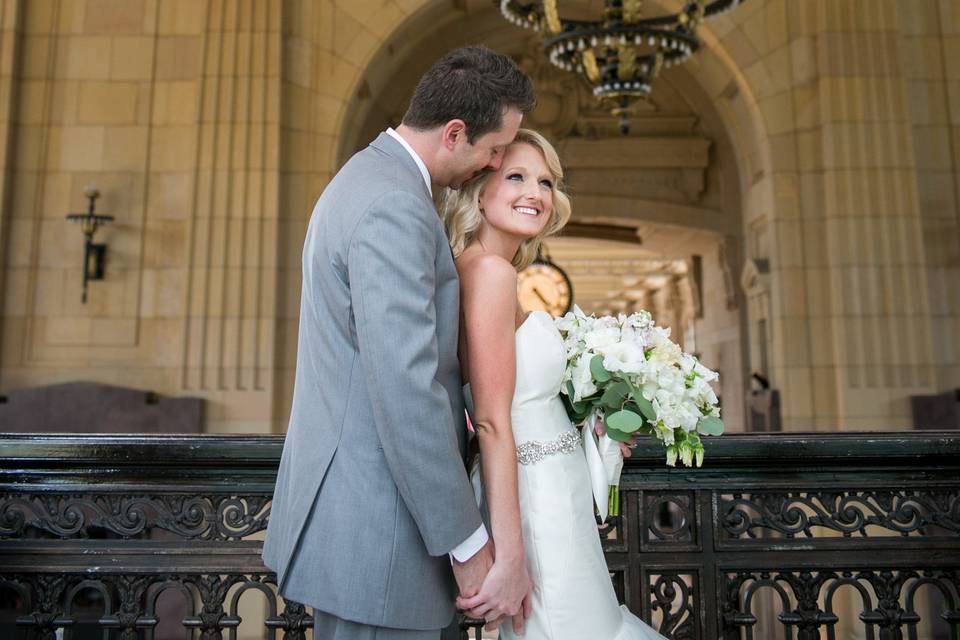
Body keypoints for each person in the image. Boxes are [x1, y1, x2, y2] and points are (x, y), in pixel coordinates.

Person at [261, 46, 536, 640]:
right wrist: (468, 546)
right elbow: (406, 390)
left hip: (367, 531)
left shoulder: (369, 178)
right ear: (455, 132)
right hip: (380, 539)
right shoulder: (393, 204)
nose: (492, 166)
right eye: (494, 151)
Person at [441, 129, 668, 640]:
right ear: (479, 189)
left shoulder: (479, 270)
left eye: (545, 182)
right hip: (538, 504)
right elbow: (495, 421)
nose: (536, 194)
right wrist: (512, 554)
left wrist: (597, 424)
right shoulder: (492, 275)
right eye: (516, 176)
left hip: (553, 492)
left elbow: (518, 402)